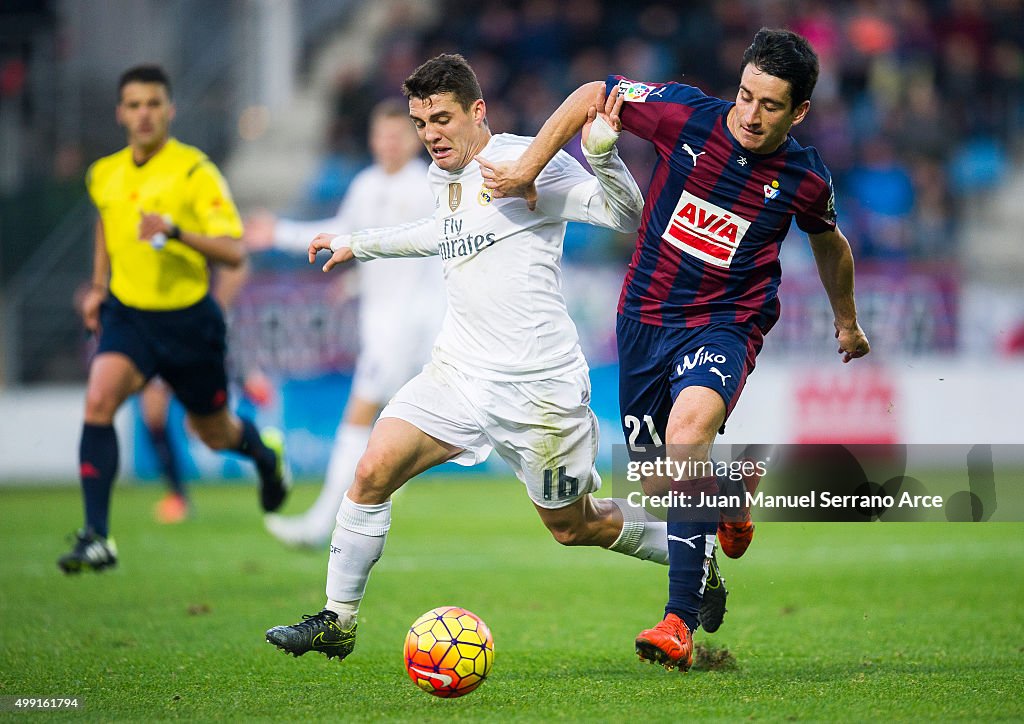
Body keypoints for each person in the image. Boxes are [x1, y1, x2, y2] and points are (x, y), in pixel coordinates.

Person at [478, 28, 871, 671]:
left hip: (725, 323)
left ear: (798, 112)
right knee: (663, 477)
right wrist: (525, 169)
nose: (750, 114)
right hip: (643, 320)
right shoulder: (686, 113)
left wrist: (846, 321)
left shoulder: (805, 178)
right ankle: (726, 496)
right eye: (745, 95)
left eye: (770, 105)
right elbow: (592, 94)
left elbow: (830, 242)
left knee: (687, 433)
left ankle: (678, 623)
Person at [264, 53, 669, 663]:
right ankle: (337, 619)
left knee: (573, 526)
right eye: (420, 122)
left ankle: (694, 547)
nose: (430, 135)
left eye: (442, 119)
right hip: (457, 374)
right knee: (372, 471)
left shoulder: (530, 160)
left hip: (540, 390)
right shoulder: (442, 175)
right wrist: (355, 243)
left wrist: (606, 156)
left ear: (477, 111)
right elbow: (441, 232)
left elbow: (625, 214)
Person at [58, 65, 291, 574]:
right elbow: (107, 223)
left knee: (214, 433)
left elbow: (233, 252)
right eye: (134, 105)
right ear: (121, 112)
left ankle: (266, 458)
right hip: (128, 315)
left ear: (169, 110)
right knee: (99, 400)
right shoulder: (105, 173)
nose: (144, 114)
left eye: (153, 104)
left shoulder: (194, 172)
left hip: (188, 322)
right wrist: (98, 288)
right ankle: (97, 536)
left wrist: (177, 233)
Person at [245, 99, 443, 547]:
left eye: (398, 134)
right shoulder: (366, 184)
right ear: (373, 139)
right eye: (382, 134)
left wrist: (279, 233)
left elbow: (413, 245)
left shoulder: (426, 184)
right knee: (405, 425)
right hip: (388, 327)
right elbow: (345, 232)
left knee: (360, 417)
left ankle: (322, 523)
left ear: (413, 139)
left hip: (412, 329)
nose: (389, 143)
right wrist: (279, 233)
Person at [141, 261, 253, 525]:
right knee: (153, 413)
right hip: (156, 324)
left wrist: (215, 313)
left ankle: (265, 457)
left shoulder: (197, 226)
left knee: (210, 430)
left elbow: (237, 265)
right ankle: (177, 496)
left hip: (195, 327)